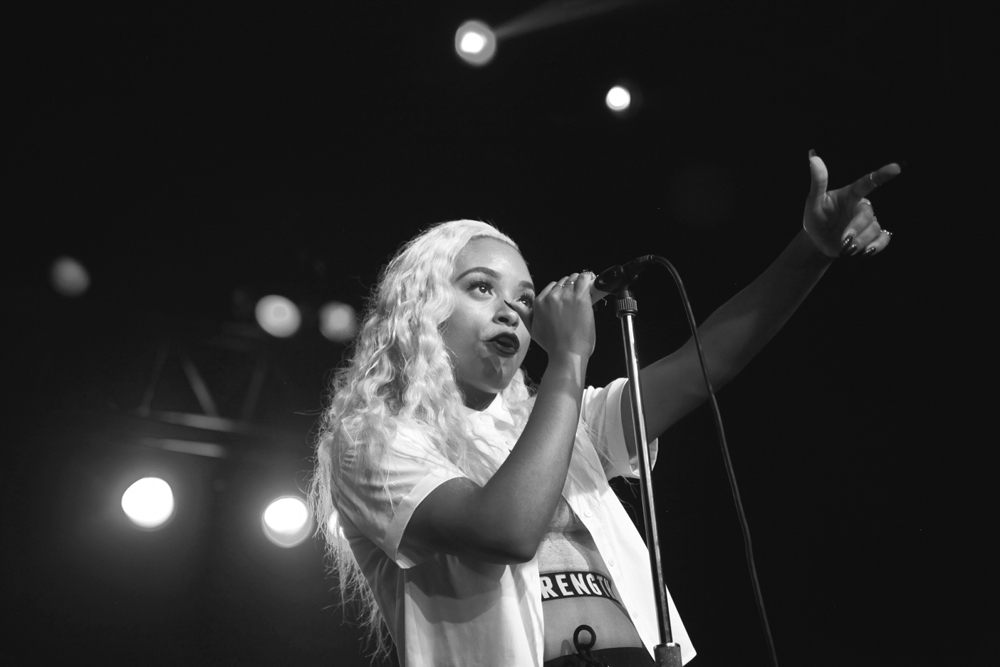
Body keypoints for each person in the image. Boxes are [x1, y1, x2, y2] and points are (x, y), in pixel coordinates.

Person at [309, 152, 900, 667]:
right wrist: (568, 355)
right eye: (481, 287)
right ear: (421, 309)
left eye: (522, 297)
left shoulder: (561, 420)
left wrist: (811, 252)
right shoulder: (370, 437)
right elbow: (507, 531)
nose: (513, 311)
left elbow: (707, 363)